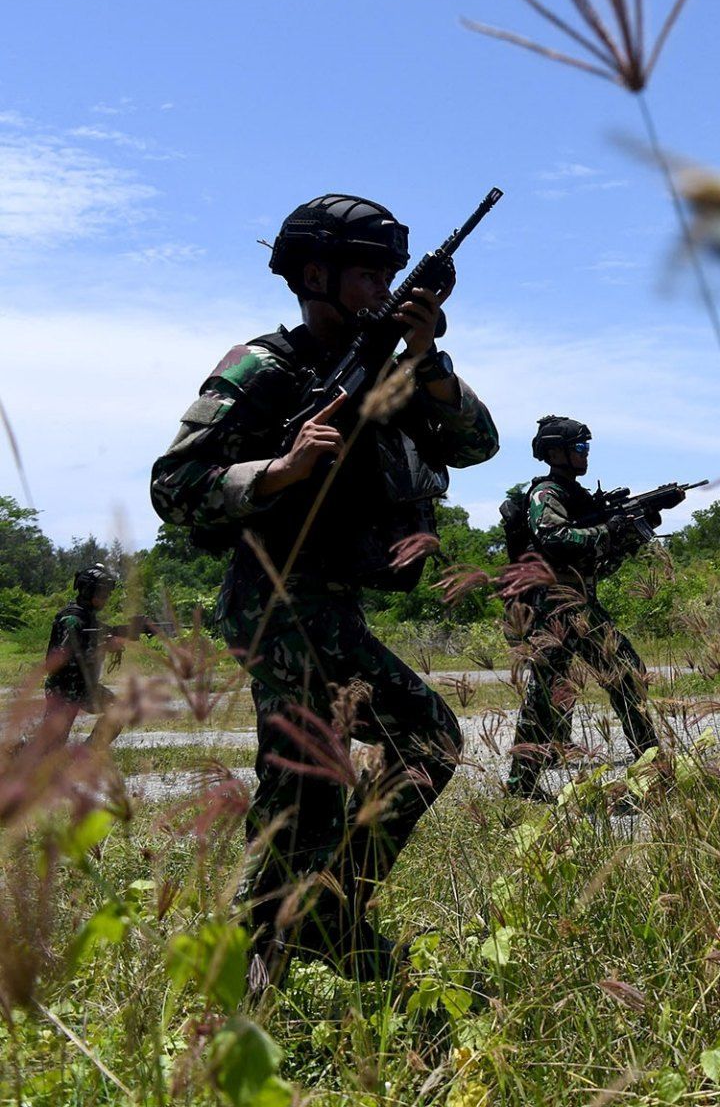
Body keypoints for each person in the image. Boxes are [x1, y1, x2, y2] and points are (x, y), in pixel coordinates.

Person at [151, 192, 499, 981]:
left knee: (306, 788)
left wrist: (429, 357)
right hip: (274, 600)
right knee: (388, 752)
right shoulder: (262, 365)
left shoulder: (394, 370)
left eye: (390, 272)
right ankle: (317, 930)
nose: (383, 285)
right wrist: (279, 469)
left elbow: (478, 443)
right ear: (314, 273)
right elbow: (173, 485)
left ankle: (292, 944)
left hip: (329, 604)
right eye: (366, 272)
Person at [503, 415, 664, 801]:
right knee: (549, 694)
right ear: (555, 452)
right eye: (579, 448)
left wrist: (630, 530)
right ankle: (521, 783)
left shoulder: (575, 495)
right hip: (554, 606)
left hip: (580, 602)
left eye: (586, 448)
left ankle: (651, 761)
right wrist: (609, 529)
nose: (584, 454)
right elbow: (554, 538)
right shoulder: (546, 494)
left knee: (626, 673)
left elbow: (598, 557)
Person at [43, 563, 137, 751]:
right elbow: (65, 659)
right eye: (102, 594)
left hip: (84, 688)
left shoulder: (88, 618)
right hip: (64, 690)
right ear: (88, 592)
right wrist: (103, 647)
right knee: (49, 749)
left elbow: (105, 632)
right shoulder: (72, 619)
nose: (106, 599)